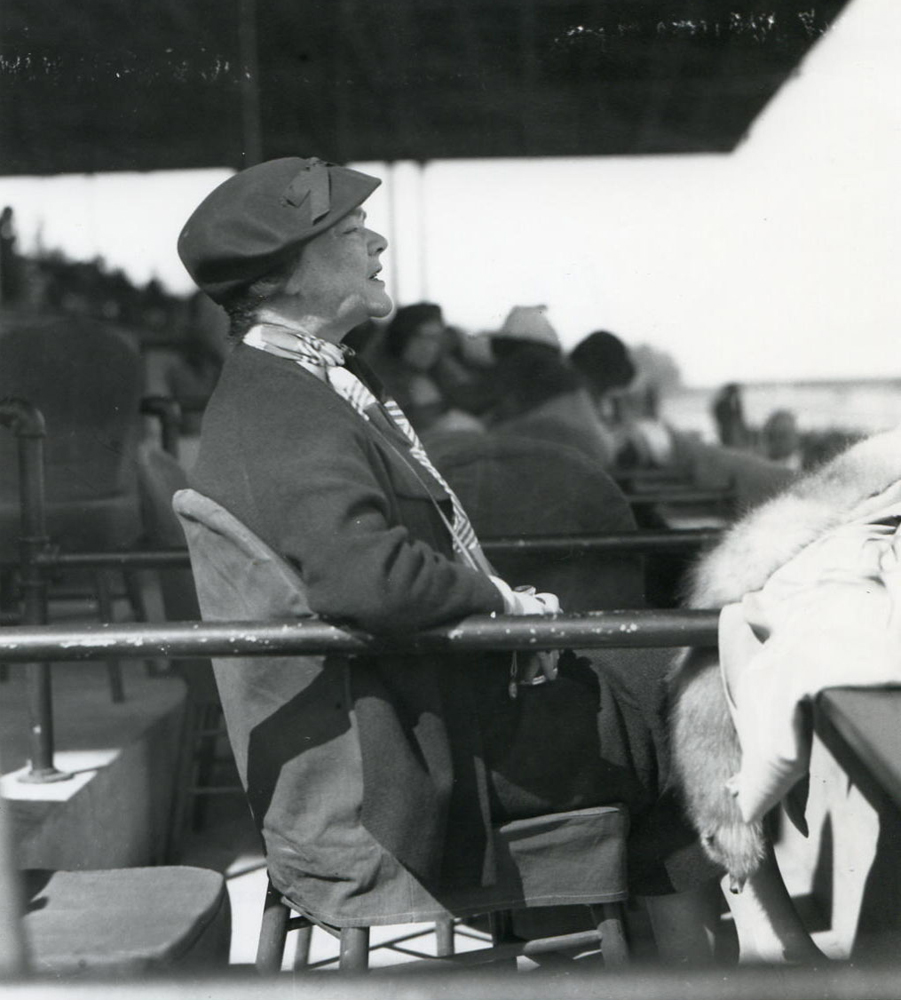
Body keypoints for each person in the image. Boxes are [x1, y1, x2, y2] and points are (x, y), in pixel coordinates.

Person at [176, 156, 814, 963]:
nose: (375, 243)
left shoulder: (292, 382)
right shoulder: (284, 406)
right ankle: (730, 949)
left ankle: (711, 947)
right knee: (699, 678)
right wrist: (503, 604)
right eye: (349, 231)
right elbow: (366, 580)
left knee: (672, 671)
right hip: (405, 767)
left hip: (406, 718)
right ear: (286, 276)